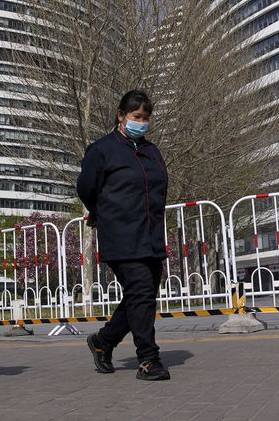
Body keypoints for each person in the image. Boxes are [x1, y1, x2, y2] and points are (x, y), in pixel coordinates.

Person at [76, 90, 171, 381]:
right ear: (121, 115)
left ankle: (103, 342)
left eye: (145, 118)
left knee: (141, 296)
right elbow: (86, 187)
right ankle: (147, 359)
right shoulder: (102, 149)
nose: (141, 122)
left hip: (151, 233)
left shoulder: (152, 150)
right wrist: (100, 212)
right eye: (136, 116)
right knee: (140, 292)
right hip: (120, 233)